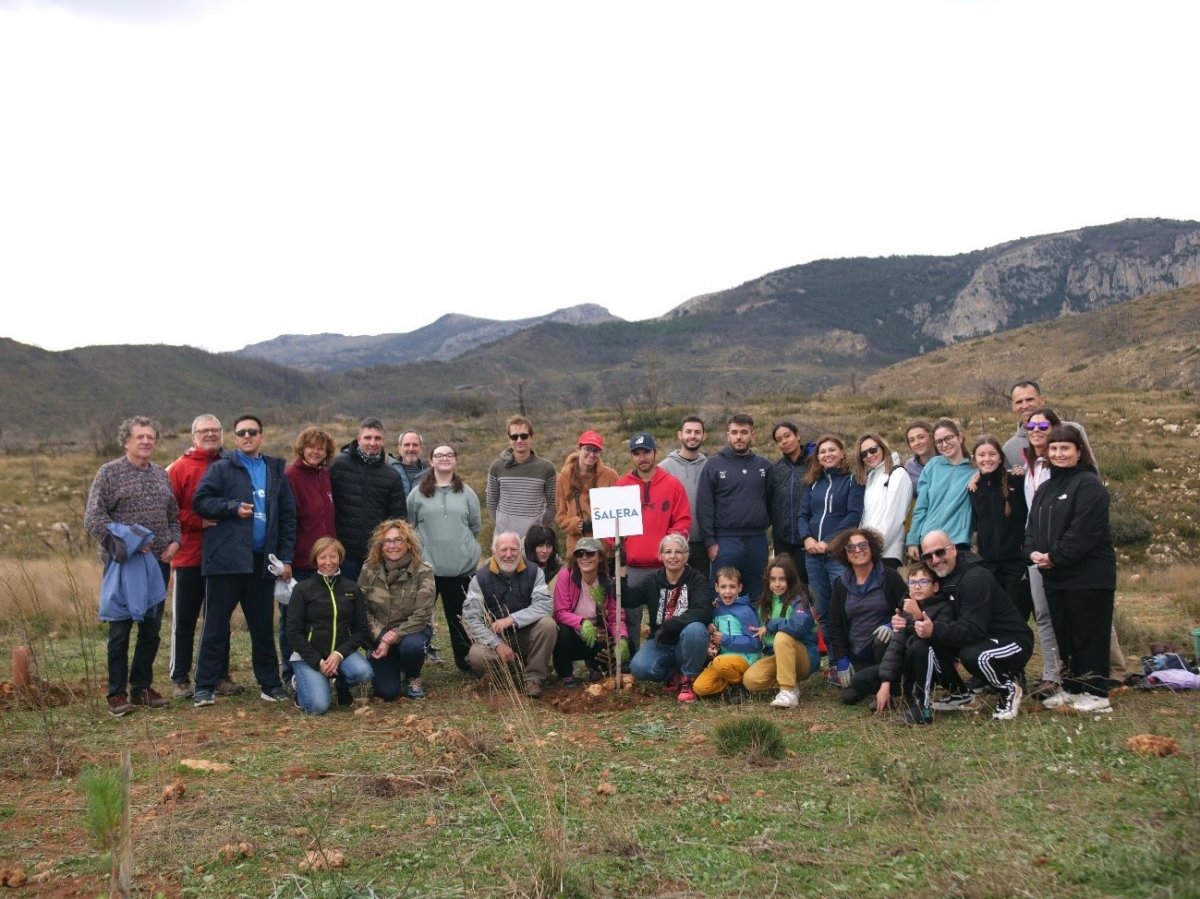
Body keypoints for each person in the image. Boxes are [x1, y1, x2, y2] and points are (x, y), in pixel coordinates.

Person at [191, 414, 296, 707]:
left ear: (262, 436)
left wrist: (285, 558)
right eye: (241, 433)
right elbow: (200, 501)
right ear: (235, 438)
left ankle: (270, 684)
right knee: (215, 625)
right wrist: (232, 507)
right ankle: (205, 686)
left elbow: (287, 517)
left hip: (262, 562)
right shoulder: (222, 469)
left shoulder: (275, 470)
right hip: (225, 561)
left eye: (253, 431)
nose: (247, 436)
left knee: (263, 627)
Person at [84, 416, 181, 716]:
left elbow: (173, 517)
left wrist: (175, 542)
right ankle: (116, 694)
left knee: (151, 630)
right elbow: (93, 518)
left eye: (150, 437)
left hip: (158, 565)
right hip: (124, 567)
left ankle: (141, 688)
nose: (146, 442)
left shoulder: (160, 475)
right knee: (120, 630)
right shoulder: (109, 473)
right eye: (139, 437)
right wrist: (131, 542)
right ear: (126, 441)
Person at [1026, 425, 1117, 713]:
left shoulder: (1089, 485)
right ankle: (1073, 688)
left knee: (1088, 634)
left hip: (1088, 576)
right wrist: (1032, 553)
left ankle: (1096, 693)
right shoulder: (1045, 488)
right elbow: (1032, 528)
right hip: (1055, 577)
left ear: (1079, 452)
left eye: (1065, 448)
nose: (1058, 453)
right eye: (1053, 449)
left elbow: (1084, 533)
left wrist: (1055, 556)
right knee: (1065, 635)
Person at [916, 532, 1034, 722]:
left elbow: (973, 629)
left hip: (1012, 640)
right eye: (928, 556)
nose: (935, 560)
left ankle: (1009, 689)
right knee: (930, 644)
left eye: (939, 552)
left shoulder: (975, 578)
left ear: (953, 548)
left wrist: (935, 629)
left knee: (973, 655)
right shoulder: (941, 576)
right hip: (980, 636)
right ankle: (959, 693)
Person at [166, 414, 239, 701]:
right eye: (204, 431)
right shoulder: (180, 468)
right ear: (193, 436)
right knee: (184, 621)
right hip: (189, 556)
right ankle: (180, 677)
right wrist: (199, 520)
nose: (210, 435)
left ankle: (219, 675)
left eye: (215, 430)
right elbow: (169, 513)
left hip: (223, 557)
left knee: (219, 620)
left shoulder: (231, 464)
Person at [613, 432, 692, 656]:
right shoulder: (621, 487)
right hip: (633, 567)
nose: (642, 458)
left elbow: (682, 520)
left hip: (664, 568)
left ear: (655, 452)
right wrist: (620, 549)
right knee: (630, 616)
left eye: (646, 452)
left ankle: (669, 658)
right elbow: (612, 528)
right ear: (631, 456)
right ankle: (632, 658)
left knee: (669, 615)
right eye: (636, 454)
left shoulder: (672, 485)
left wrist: (669, 551)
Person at [407, 443, 482, 676]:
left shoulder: (467, 493)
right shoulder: (417, 493)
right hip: (428, 568)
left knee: (459, 619)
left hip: (460, 568)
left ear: (455, 460)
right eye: (439, 455)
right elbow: (410, 525)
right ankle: (412, 664)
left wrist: (464, 548)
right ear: (431, 461)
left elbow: (475, 526)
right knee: (419, 618)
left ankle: (465, 663)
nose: (444, 459)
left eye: (449, 455)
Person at [462, 532, 558, 698]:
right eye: (503, 550)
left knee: (548, 625)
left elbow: (544, 606)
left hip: (527, 634)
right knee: (476, 655)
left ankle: (533, 679)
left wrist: (512, 619)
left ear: (520, 551)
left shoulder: (535, 572)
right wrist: (496, 643)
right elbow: (470, 619)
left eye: (513, 549)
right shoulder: (480, 578)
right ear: (494, 552)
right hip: (495, 637)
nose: (508, 555)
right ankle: (506, 673)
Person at [285, 537, 373, 715]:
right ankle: (302, 685)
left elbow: (360, 630)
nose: (328, 562)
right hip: (309, 657)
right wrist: (318, 661)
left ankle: (341, 685)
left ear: (340, 558)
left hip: (340, 653)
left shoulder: (352, 589)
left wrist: (339, 654)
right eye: (322, 557)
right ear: (315, 560)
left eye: (333, 556)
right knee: (318, 707)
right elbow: (293, 632)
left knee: (364, 673)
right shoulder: (302, 589)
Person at [622, 533, 713, 702]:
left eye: (678, 552)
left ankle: (689, 679)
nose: (673, 556)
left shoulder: (696, 579)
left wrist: (669, 625)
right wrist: (620, 570)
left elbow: (703, 611)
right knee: (638, 668)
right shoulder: (653, 580)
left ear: (686, 556)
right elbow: (628, 599)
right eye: (668, 552)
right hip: (660, 642)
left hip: (686, 642)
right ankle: (673, 674)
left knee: (695, 629)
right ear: (661, 556)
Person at [825, 528, 907, 704]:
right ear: (845, 554)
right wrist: (842, 659)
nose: (857, 550)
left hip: (886, 652)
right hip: (858, 655)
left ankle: (888, 689)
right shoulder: (841, 584)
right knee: (848, 697)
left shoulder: (889, 577)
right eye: (851, 547)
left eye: (862, 545)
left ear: (872, 547)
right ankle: (888, 685)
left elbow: (908, 607)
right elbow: (835, 625)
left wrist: (892, 625)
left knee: (882, 638)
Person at [282, 426, 338, 685]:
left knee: (319, 618)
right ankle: (289, 673)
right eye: (311, 446)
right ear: (302, 448)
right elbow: (287, 520)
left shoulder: (324, 475)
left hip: (325, 561)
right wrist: (286, 559)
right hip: (301, 561)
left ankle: (318, 669)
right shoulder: (291, 476)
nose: (316, 451)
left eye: (321, 448)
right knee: (292, 620)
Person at [797, 435, 864, 646]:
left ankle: (853, 658)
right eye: (822, 452)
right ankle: (836, 662)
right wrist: (807, 538)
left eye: (832, 450)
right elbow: (802, 515)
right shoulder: (812, 484)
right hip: (813, 557)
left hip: (838, 554)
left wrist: (828, 542)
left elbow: (853, 515)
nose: (827, 455)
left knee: (846, 607)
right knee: (823, 610)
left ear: (842, 452)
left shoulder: (853, 480)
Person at [359, 519, 436, 701]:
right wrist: (380, 637)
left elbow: (422, 614)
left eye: (398, 540)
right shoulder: (369, 569)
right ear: (381, 545)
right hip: (379, 635)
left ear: (409, 544)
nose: (392, 546)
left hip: (411, 633)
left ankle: (412, 677)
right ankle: (392, 664)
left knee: (412, 647)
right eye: (387, 541)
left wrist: (392, 637)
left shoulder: (423, 571)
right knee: (387, 692)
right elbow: (360, 609)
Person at [1019, 408, 1067, 699]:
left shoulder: (1060, 464)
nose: (1036, 429)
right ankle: (1051, 675)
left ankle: (1075, 671)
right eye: (1031, 425)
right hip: (1036, 550)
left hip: (1061, 551)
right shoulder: (1030, 464)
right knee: (1044, 615)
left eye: (1042, 424)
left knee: (1068, 614)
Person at [696, 413, 772, 593]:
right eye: (735, 432)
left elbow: (771, 502)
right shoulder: (713, 465)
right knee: (724, 594)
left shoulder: (765, 466)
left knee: (758, 593)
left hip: (757, 540)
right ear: (728, 435)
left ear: (752, 435)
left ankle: (755, 623)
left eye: (744, 432)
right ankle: (722, 623)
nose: (739, 437)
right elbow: (704, 506)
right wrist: (710, 542)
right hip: (725, 541)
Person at [329, 417, 408, 581]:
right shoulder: (337, 465)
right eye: (368, 437)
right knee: (346, 603)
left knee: (373, 605)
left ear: (383, 440)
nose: (372, 443)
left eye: (377, 438)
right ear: (359, 439)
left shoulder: (391, 475)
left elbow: (398, 519)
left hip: (376, 555)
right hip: (343, 554)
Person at [876, 562, 954, 726]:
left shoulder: (945, 607)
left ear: (935, 587)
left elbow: (938, 640)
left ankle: (922, 707)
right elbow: (896, 646)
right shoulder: (907, 610)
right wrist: (885, 683)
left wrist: (918, 615)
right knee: (859, 682)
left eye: (923, 582)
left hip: (940, 667)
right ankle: (897, 694)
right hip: (911, 667)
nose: (917, 587)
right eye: (912, 582)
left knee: (917, 644)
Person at [969, 435, 1033, 624]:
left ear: (1000, 457)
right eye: (981, 455)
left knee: (1017, 613)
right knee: (995, 614)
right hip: (989, 562)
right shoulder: (974, 487)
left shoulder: (1017, 481)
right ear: (975, 459)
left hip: (1016, 561)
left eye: (992, 454)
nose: (987, 459)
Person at [743, 554, 819, 708]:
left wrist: (771, 624)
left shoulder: (800, 599)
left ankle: (787, 691)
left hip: (804, 657)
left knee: (783, 636)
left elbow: (797, 628)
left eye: (782, 579)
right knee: (751, 680)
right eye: (773, 579)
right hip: (777, 657)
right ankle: (791, 684)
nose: (777, 584)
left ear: (790, 579)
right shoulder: (765, 602)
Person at [551, 537, 628, 686]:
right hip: (573, 634)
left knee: (612, 635)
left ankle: (596, 668)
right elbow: (560, 611)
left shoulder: (608, 582)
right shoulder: (566, 576)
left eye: (590, 553)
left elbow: (614, 618)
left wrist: (622, 639)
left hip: (597, 635)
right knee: (563, 630)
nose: (584, 558)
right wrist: (582, 622)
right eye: (580, 554)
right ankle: (565, 673)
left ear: (600, 557)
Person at [905, 418, 975, 561]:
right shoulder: (932, 466)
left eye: (948, 438)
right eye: (939, 441)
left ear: (960, 437)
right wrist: (913, 540)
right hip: (927, 540)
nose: (945, 444)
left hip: (956, 541)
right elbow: (921, 507)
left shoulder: (975, 468)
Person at [693, 567, 762, 702]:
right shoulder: (716, 609)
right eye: (723, 587)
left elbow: (755, 644)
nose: (728, 591)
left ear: (739, 588)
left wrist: (726, 640)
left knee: (720, 662)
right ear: (717, 588)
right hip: (723, 660)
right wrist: (709, 626)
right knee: (699, 687)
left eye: (732, 587)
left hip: (745, 658)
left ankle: (739, 685)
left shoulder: (746, 611)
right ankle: (730, 682)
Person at [1002, 380, 1098, 471]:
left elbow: (1091, 468)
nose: (1025, 405)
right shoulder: (1009, 448)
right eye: (1019, 402)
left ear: (1042, 400)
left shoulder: (1073, 430)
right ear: (1013, 406)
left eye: (1030, 399)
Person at [486, 416, 557, 539]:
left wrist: (540, 527)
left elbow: (553, 503)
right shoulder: (496, 467)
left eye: (524, 436)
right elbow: (492, 501)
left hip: (534, 540)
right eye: (514, 437)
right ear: (509, 439)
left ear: (532, 437)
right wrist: (502, 524)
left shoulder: (547, 468)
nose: (519, 440)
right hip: (503, 539)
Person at [658, 416, 710, 575]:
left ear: (704, 436)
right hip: (674, 547)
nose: (692, 436)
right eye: (688, 431)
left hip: (703, 544)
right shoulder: (663, 469)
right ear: (680, 435)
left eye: (697, 432)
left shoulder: (710, 467)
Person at [555, 430, 619, 557]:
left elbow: (619, 512)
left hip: (604, 549)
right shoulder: (563, 478)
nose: (591, 454)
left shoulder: (610, 476)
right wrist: (573, 524)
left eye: (596, 451)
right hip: (577, 548)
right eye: (588, 449)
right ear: (579, 449)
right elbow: (560, 515)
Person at [855, 433, 912, 569]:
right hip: (866, 551)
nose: (869, 455)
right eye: (863, 454)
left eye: (873, 450)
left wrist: (875, 549)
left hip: (885, 554)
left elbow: (894, 517)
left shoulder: (897, 474)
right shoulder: (870, 477)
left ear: (883, 448)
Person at [767, 421, 811, 580]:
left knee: (805, 583)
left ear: (798, 436)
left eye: (787, 436)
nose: (784, 441)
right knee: (784, 581)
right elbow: (769, 501)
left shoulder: (814, 464)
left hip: (807, 538)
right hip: (782, 538)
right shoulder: (775, 469)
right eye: (779, 439)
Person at [388, 428, 429, 498]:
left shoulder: (431, 475)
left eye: (415, 445)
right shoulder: (388, 472)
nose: (411, 449)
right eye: (407, 445)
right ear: (399, 449)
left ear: (421, 449)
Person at [524, 524, 564, 594]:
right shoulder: (517, 563)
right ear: (531, 546)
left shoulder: (556, 564)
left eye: (549, 546)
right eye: (540, 546)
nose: (545, 551)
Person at [903, 420, 936, 493]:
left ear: (932, 438)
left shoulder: (948, 459)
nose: (917, 443)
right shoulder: (909, 467)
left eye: (921, 437)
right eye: (912, 440)